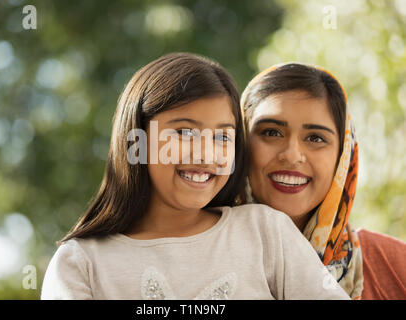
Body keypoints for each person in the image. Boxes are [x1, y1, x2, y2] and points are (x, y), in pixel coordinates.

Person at [41, 53, 349, 300]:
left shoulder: (265, 231)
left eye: (223, 137)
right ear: (137, 141)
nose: (206, 155)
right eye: (185, 132)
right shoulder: (80, 264)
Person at [240, 62, 406, 300]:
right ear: (240, 142)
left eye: (315, 138)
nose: (292, 155)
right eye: (271, 132)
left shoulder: (395, 267)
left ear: (343, 156)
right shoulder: (193, 256)